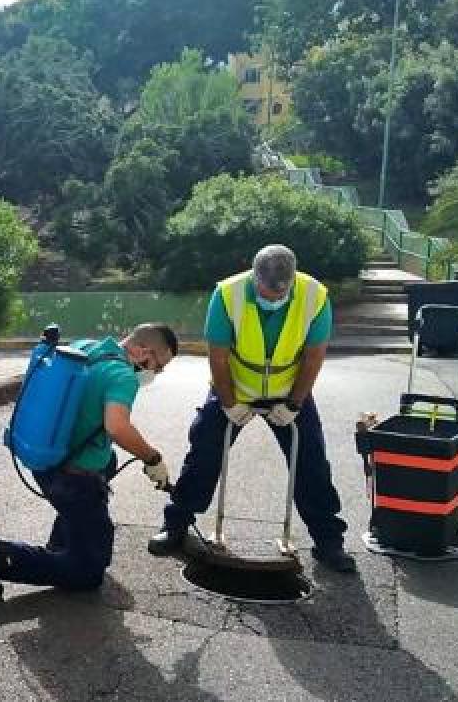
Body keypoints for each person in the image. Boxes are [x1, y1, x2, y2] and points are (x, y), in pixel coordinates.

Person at [146, 244, 356, 573]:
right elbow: (217, 356)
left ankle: (329, 541)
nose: (273, 299)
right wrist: (229, 403)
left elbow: (314, 356)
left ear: (293, 281)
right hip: (237, 387)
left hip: (289, 389)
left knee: (311, 459)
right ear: (253, 278)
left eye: (280, 294)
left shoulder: (314, 296)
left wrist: (295, 403)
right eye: (266, 293)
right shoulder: (228, 295)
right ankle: (176, 525)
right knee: (204, 449)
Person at [0, 323, 179, 599]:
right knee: (89, 571)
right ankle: (6, 556)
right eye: (158, 365)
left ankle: (64, 541)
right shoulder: (122, 375)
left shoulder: (86, 347)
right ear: (142, 350)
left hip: (46, 461)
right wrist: (153, 458)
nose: (156, 373)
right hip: (72, 479)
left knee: (108, 461)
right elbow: (117, 428)